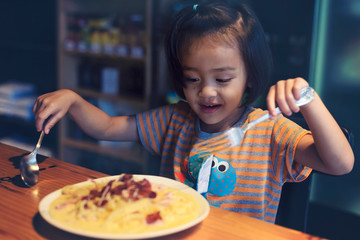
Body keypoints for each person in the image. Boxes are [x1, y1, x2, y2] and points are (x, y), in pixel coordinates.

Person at [33, 0, 354, 223]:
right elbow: (105, 128)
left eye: (223, 79)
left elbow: (340, 164)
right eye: (192, 79)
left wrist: (308, 97)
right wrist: (73, 100)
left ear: (250, 77)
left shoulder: (271, 130)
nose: (206, 91)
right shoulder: (175, 120)